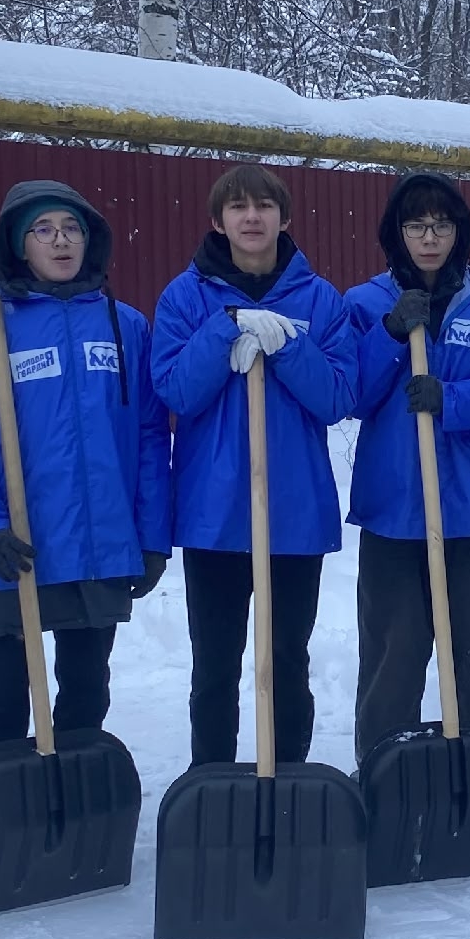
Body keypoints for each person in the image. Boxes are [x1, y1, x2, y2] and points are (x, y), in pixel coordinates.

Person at [0, 183, 171, 754]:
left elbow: (148, 435)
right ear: (20, 244)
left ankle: (74, 796)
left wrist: (151, 536)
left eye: (72, 229)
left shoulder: (125, 325)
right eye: (44, 230)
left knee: (86, 689)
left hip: (98, 543)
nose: (61, 241)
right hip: (15, 543)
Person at [150, 163, 357, 764]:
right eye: (237, 207)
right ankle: (212, 780)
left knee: (288, 658)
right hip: (213, 513)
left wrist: (287, 345)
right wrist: (224, 332)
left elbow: (338, 398)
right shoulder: (186, 297)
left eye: (264, 206)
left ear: (283, 218)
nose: (251, 217)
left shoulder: (320, 299)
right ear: (218, 221)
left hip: (294, 512)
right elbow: (176, 391)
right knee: (215, 664)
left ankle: (287, 778)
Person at [344, 172, 470, 757]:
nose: (430, 238)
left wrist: (453, 399)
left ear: (460, 231)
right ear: (396, 233)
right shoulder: (365, 303)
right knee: (393, 652)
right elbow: (350, 394)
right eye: (416, 226)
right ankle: (383, 766)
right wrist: (390, 334)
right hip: (393, 508)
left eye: (442, 225)